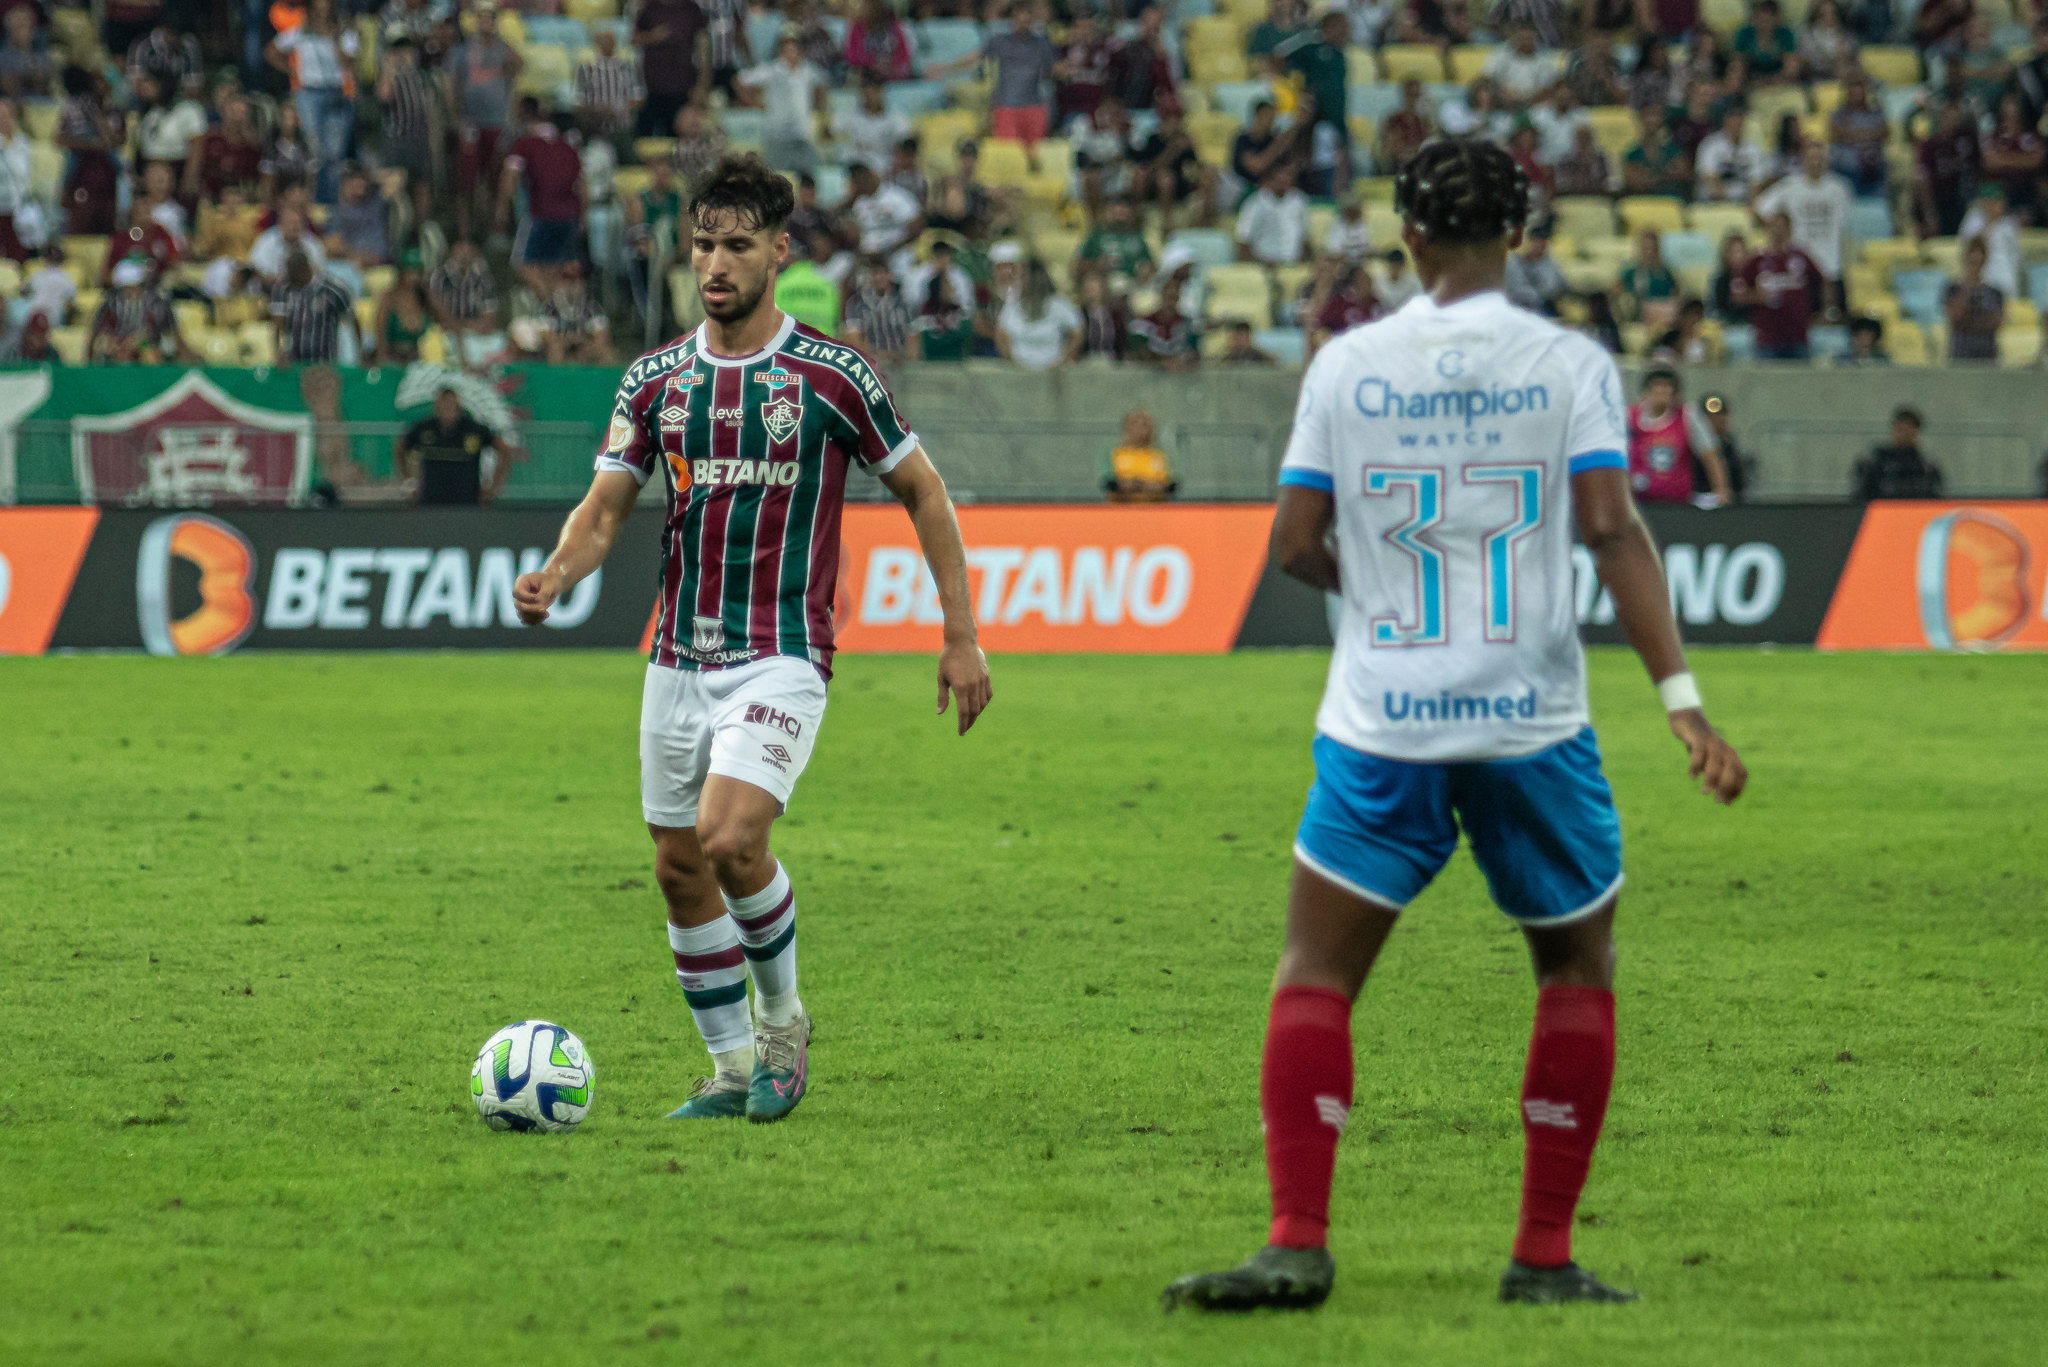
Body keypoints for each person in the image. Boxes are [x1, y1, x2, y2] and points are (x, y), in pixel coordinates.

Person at [1162, 136, 1747, 1316]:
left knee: (1317, 970)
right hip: (1532, 719)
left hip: (1382, 717)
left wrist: (1377, 597)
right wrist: (1681, 702)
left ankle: (1293, 1242)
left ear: (1409, 235)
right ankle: (1538, 1255)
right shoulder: (1566, 360)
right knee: (1575, 965)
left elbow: (1287, 545)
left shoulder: (1345, 362)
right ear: (1520, 234)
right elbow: (1609, 526)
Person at [510, 153, 992, 1125]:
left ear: (778, 250)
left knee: (732, 837)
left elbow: (922, 490)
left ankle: (782, 1025)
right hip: (676, 654)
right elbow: (606, 508)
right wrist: (556, 572)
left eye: (736, 245)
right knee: (676, 863)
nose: (715, 262)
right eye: (702, 245)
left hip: (781, 648)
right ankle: (730, 1070)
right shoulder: (654, 380)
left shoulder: (831, 374)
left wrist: (960, 632)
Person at [444, 3, 522, 240]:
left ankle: (493, 227)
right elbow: (450, 85)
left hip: (496, 122)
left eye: (490, 18)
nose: (486, 23)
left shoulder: (503, 50)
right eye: (482, 18)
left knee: (495, 177)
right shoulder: (461, 51)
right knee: (466, 180)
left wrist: (502, 40)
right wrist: (456, 119)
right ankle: (465, 231)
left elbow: (519, 66)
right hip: (471, 123)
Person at [1755, 140, 1852, 319]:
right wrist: (1779, 234)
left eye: (1819, 158)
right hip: (1801, 260)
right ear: (1803, 160)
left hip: (1831, 257)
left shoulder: (1838, 188)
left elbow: (1845, 220)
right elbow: (1761, 207)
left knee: (1833, 316)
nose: (1815, 162)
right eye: (1810, 158)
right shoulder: (1791, 186)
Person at [1627, 366, 1732, 505]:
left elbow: (1709, 453)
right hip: (1639, 501)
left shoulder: (1687, 416)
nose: (1663, 395)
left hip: (1677, 502)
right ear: (1646, 393)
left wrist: (1721, 489)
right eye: (1658, 389)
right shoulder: (1629, 417)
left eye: (1668, 390)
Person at [738, 33, 827, 175]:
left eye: (794, 50)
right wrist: (754, 103)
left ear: (800, 52)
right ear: (782, 52)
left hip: (801, 135)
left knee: (811, 175)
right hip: (777, 135)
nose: (791, 54)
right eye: (788, 51)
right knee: (775, 177)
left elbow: (823, 82)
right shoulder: (772, 70)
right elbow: (741, 79)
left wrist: (820, 106)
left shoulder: (808, 70)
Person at [396, 385, 503, 504]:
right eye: (444, 404)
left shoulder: (473, 429)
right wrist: (409, 482)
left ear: (458, 406)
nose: (448, 408)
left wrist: (494, 487)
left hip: (468, 502)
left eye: (451, 404)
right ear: (437, 406)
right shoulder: (425, 428)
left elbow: (503, 450)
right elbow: (401, 448)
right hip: (431, 502)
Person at [1734, 212, 1817, 360]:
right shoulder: (1756, 260)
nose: (1779, 231)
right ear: (1768, 229)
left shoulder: (1801, 258)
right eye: (1775, 226)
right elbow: (1738, 294)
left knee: (1801, 381)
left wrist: (1820, 311)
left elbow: (1821, 281)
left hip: (1797, 336)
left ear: (1789, 229)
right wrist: (1757, 297)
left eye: (1783, 227)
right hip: (1767, 337)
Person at [89, 256, 193, 363]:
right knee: (110, 348)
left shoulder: (156, 303)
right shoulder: (110, 302)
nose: (131, 293)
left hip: (148, 345)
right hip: (117, 345)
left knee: (149, 354)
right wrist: (115, 343)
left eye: (134, 288)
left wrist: (137, 341)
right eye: (126, 289)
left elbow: (170, 333)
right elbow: (98, 332)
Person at [634, 0, 710, 139]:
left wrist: (702, 85)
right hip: (653, 89)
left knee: (682, 138)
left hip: (683, 86)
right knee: (647, 141)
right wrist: (652, 37)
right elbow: (635, 39)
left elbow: (703, 47)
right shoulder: (650, 8)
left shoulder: (691, 8)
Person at [271, 249, 355, 365]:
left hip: (325, 361)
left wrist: (356, 353)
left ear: (305, 268)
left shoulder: (332, 290)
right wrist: (279, 351)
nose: (289, 277)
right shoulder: (283, 289)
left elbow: (352, 321)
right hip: (294, 362)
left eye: (293, 273)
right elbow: (278, 324)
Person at [1852, 407, 1943, 499]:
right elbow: (1862, 496)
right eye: (1902, 430)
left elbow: (1934, 497)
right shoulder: (1876, 462)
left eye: (1910, 431)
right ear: (1894, 430)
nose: (1905, 435)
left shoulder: (1926, 467)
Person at [575, 27, 644, 149]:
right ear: (596, 43)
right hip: (595, 131)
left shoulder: (627, 68)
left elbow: (637, 99)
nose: (607, 43)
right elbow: (580, 103)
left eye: (610, 40)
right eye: (603, 40)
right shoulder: (586, 70)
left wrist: (621, 111)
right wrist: (599, 111)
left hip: (623, 130)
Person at [832, 76, 910, 183]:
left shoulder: (896, 118)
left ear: (880, 92)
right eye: (864, 94)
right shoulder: (848, 116)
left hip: (885, 168)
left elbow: (904, 147)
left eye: (872, 93)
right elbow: (829, 134)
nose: (868, 98)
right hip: (855, 168)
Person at [841, 254, 913, 366]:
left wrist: (905, 357)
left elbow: (913, 337)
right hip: (870, 365)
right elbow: (854, 338)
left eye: (882, 273)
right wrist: (880, 356)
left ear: (890, 275)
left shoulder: (903, 303)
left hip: (900, 364)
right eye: (875, 273)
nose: (879, 278)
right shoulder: (857, 302)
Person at [1944, 237, 2003, 363]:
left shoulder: (1995, 293)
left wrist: (1968, 324)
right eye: (1972, 253)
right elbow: (1955, 317)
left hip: (1987, 355)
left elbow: (1996, 322)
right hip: (1961, 354)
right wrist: (1967, 285)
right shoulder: (1953, 289)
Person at [1237, 162, 1309, 265]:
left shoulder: (1299, 201)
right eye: (1280, 176)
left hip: (1292, 264)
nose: (1284, 180)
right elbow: (1244, 240)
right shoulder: (1255, 202)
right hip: (1262, 263)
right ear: (1270, 179)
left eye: (1288, 176)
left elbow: (1305, 239)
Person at [370, 251, 432, 365]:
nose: (414, 277)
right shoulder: (389, 297)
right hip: (392, 355)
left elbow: (445, 318)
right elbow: (380, 327)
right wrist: (382, 357)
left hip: (415, 356)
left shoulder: (424, 298)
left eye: (417, 272)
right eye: (410, 272)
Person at [1101, 408, 1175, 501]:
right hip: (1120, 511)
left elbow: (1166, 488)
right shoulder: (1114, 455)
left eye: (1145, 425)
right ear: (1127, 427)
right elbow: (1112, 486)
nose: (1141, 430)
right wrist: (1147, 484)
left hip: (1154, 511)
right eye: (1136, 424)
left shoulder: (1159, 457)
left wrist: (1135, 483)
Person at [1696, 393, 1751, 499]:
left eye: (1723, 414)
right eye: (1713, 416)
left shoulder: (1728, 445)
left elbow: (1738, 477)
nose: (1719, 419)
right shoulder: (1693, 446)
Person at [1505, 225, 1566, 314]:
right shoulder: (1515, 262)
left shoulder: (1549, 263)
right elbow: (1516, 290)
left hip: (1546, 307)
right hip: (1521, 308)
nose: (1540, 245)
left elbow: (1556, 285)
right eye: (1536, 241)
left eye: (1543, 242)